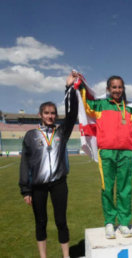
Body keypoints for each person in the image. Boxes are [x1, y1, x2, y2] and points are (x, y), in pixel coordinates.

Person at [69, 72, 132, 239]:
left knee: (125, 189)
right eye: (114, 87)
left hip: (126, 153)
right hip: (106, 152)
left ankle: (124, 223)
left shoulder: (130, 108)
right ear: (108, 89)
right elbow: (86, 102)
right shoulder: (99, 105)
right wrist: (80, 84)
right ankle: (110, 223)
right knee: (107, 188)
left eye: (120, 87)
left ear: (123, 89)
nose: (117, 90)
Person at [19, 75, 78, 258]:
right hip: (38, 186)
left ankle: (66, 256)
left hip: (59, 183)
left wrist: (69, 89)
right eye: (46, 113)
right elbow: (25, 164)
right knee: (41, 222)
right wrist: (25, 190)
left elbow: (72, 113)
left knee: (61, 221)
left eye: (53, 113)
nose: (50, 116)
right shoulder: (31, 135)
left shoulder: (62, 132)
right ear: (40, 115)